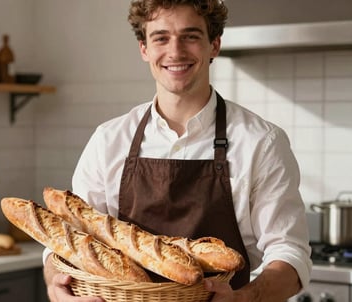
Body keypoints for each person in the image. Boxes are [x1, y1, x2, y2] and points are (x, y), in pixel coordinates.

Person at [43, 0, 312, 301]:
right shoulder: (109, 140)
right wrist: (57, 285)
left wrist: (243, 299)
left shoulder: (261, 142)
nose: (175, 52)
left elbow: (290, 253)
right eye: (161, 38)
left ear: (214, 45)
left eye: (191, 36)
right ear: (144, 49)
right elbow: (66, 239)